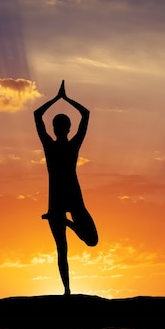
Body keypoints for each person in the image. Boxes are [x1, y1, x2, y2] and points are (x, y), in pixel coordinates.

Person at [34, 81, 98, 296]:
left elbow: (37, 114)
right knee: (64, 248)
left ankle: (66, 222)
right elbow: (86, 114)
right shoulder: (62, 145)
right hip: (62, 200)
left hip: (69, 199)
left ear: (57, 128)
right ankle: (67, 291)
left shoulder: (60, 146)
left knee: (77, 244)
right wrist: (65, 99)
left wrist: (57, 99)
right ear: (67, 128)